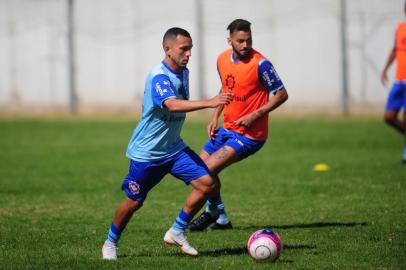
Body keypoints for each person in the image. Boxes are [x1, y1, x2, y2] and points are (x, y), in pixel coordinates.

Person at [101, 27, 231, 259]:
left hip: (174, 149)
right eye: (184, 49)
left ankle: (177, 230)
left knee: (208, 184)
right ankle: (110, 243)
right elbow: (172, 104)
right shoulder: (159, 76)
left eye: (190, 48)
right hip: (148, 154)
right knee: (134, 202)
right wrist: (209, 103)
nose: (189, 53)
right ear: (167, 49)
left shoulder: (183, 71)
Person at [188, 19, 288, 231]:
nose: (245, 45)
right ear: (230, 40)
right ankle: (221, 217)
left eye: (248, 40)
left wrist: (255, 115)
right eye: (240, 41)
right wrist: (215, 116)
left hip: (250, 135)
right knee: (196, 170)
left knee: (206, 170)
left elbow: (281, 95)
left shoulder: (261, 64)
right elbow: (226, 89)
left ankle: (212, 212)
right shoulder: (222, 59)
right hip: (227, 129)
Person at [381, 1, 406, 164]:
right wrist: (385, 69)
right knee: (389, 116)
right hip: (399, 81)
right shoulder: (400, 28)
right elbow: (395, 50)